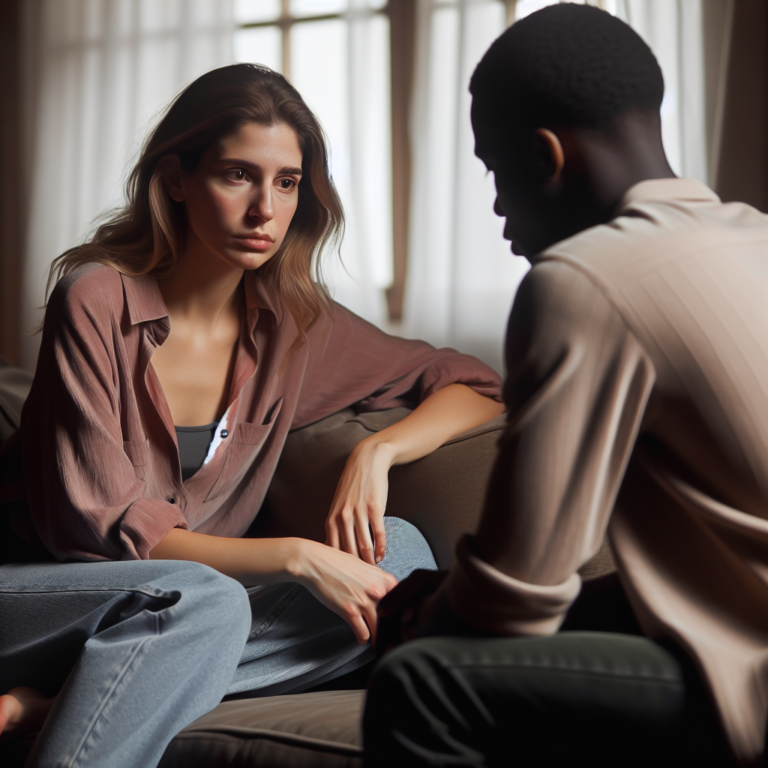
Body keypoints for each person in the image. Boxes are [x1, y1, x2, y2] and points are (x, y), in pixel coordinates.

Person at [0, 63, 503, 768]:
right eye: (238, 175)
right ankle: (124, 677)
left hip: (171, 614)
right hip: (36, 591)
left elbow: (471, 383)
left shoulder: (295, 326)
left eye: (287, 182)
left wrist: (376, 454)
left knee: (402, 557)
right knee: (206, 601)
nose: (265, 208)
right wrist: (294, 556)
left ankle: (74, 697)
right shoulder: (96, 299)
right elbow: (100, 528)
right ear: (176, 179)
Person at [363, 5, 768, 767]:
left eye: (495, 171)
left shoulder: (584, 281)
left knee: (423, 683)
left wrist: (430, 614)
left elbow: (511, 604)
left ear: (546, 157)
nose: (495, 207)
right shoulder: (754, 238)